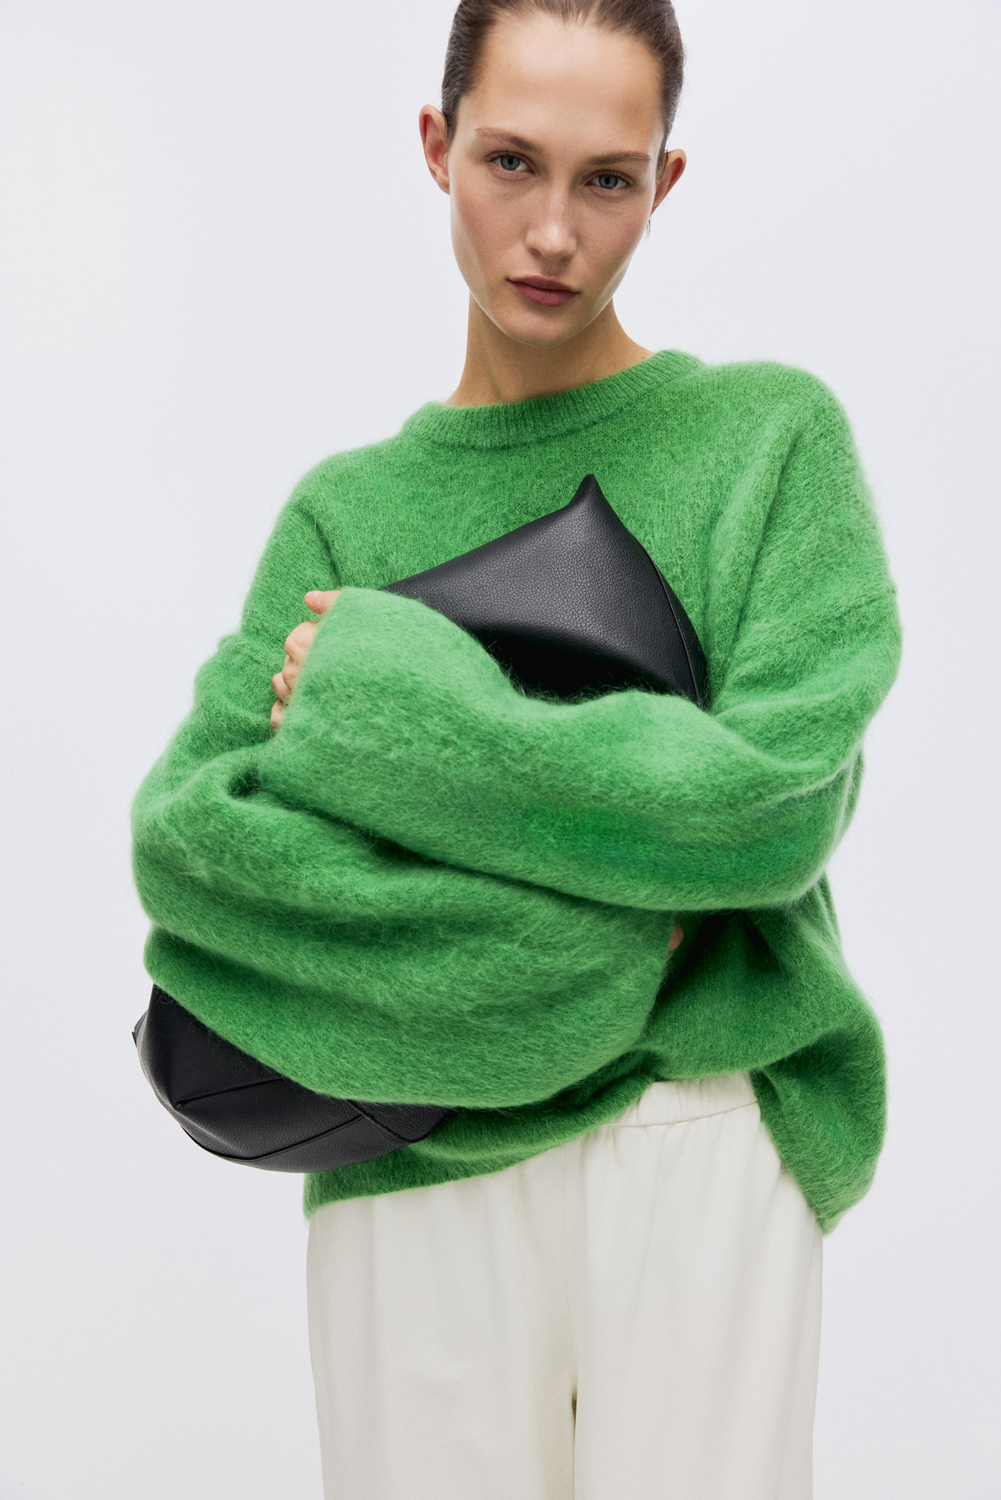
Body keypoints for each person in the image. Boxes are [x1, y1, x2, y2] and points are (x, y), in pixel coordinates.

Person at [130, 1, 902, 1496]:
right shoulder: (347, 514)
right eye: (509, 162)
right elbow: (196, 847)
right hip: (407, 1156)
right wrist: (622, 929)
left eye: (608, 178)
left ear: (664, 179)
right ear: (437, 146)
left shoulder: (766, 441)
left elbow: (762, 813)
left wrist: (401, 705)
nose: (552, 231)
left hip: (695, 1135)